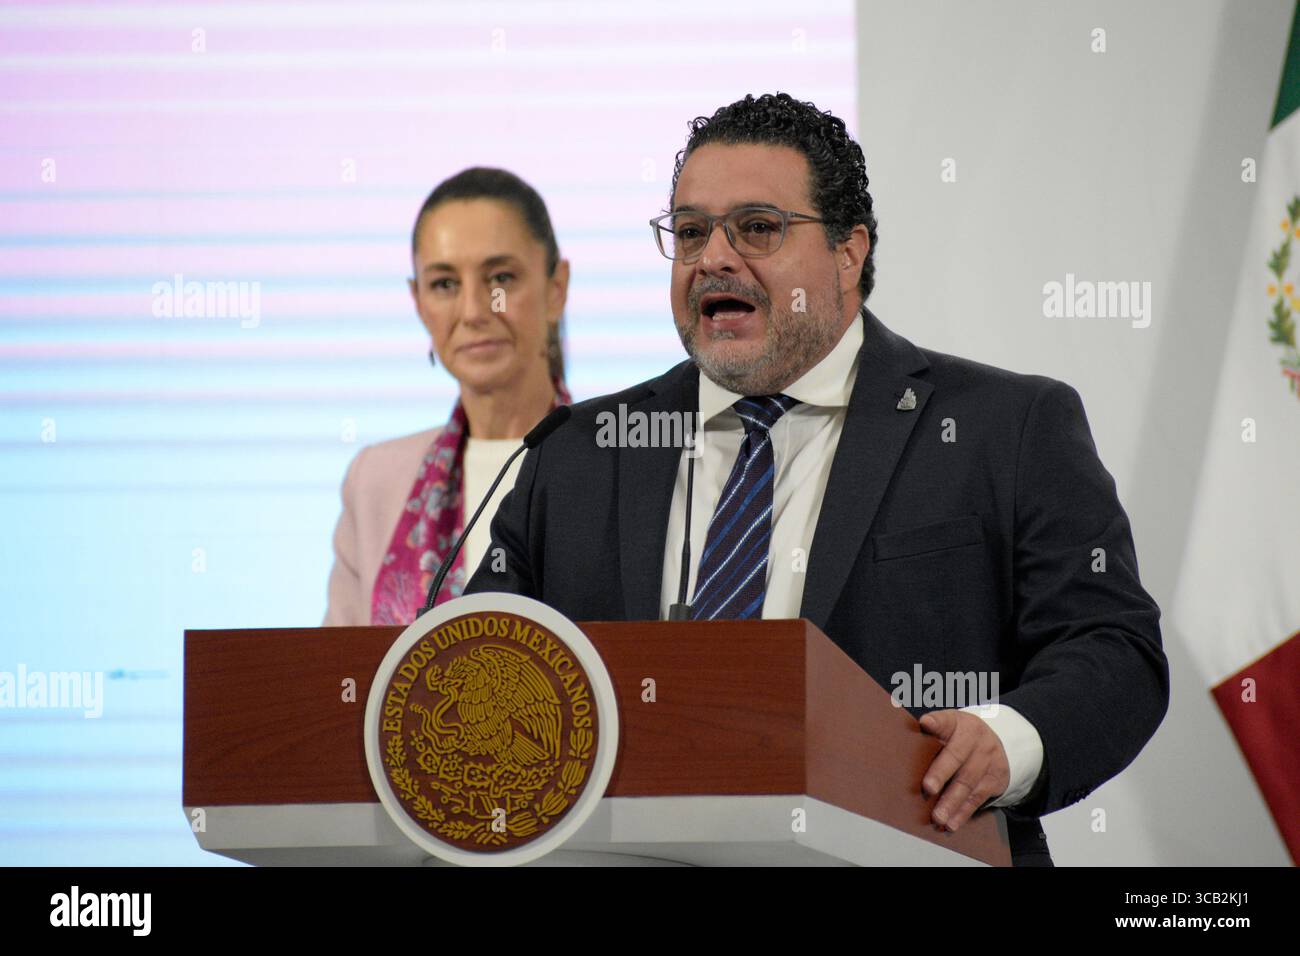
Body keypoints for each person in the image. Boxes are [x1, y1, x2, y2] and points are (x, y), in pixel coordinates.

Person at [464, 93, 1169, 866]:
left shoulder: (1005, 428)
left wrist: (1008, 742)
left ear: (849, 252)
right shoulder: (579, 450)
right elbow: (476, 668)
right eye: (691, 232)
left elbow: (1113, 651)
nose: (714, 260)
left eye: (757, 228)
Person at [324, 167, 572, 627]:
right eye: (444, 284)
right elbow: (338, 680)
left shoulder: (620, 458)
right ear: (417, 301)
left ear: (556, 288)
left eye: (500, 278)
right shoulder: (374, 481)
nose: (475, 311)